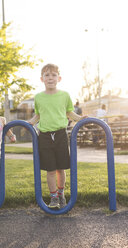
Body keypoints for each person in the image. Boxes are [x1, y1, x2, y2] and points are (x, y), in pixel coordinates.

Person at [28, 63, 86, 209]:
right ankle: (53, 197)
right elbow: (39, 115)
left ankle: (61, 194)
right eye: (47, 75)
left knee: (61, 169)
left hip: (60, 134)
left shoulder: (64, 95)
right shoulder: (39, 97)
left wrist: (80, 118)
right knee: (51, 170)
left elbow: (69, 113)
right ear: (42, 79)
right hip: (45, 136)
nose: (50, 78)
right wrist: (29, 123)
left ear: (59, 78)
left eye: (53, 75)